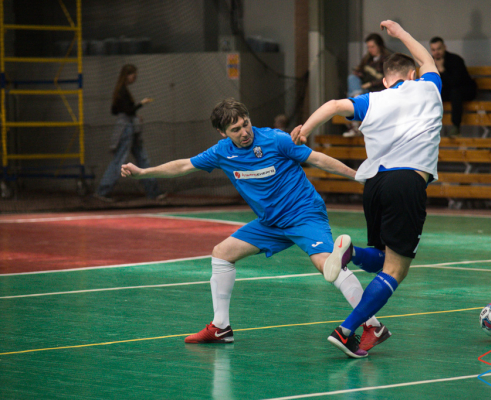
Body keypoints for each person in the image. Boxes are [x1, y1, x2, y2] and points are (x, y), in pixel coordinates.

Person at [120, 98, 390, 351]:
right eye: (235, 129)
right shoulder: (222, 152)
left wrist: (358, 176)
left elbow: (317, 159)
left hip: (303, 213)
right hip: (270, 222)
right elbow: (183, 166)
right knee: (222, 253)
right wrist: (144, 173)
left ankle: (373, 326)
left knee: (328, 263)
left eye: (245, 123)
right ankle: (220, 327)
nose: (244, 132)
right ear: (222, 132)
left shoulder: (276, 139)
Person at [293, 20, 441, 358]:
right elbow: (427, 60)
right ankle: (346, 331)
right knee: (395, 270)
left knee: (382, 260)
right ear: (412, 76)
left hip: (374, 185)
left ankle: (352, 254)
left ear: (386, 80)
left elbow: (334, 105)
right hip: (407, 183)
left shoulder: (373, 99)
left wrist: (305, 129)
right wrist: (400, 33)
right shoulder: (428, 88)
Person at [94, 64, 164, 202]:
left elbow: (117, 110)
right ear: (127, 75)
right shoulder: (121, 91)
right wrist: (141, 104)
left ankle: (153, 192)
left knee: (143, 160)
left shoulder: (121, 91)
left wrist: (133, 116)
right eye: (133, 75)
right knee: (120, 160)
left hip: (130, 127)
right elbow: (125, 110)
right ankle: (102, 191)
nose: (135, 78)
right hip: (126, 129)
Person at [344, 33, 392, 137]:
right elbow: (360, 72)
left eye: (372, 47)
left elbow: (389, 78)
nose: (370, 50)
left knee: (352, 97)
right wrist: (358, 74)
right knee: (352, 78)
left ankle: (355, 124)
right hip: (364, 90)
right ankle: (357, 99)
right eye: (368, 47)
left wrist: (370, 83)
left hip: (380, 90)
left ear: (379, 46)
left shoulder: (387, 59)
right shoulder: (367, 59)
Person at [429, 37, 476, 137]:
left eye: (439, 49)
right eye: (433, 50)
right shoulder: (430, 63)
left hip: (465, 89)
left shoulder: (455, 60)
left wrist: (441, 69)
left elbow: (455, 83)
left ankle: (456, 126)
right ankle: (428, 127)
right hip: (448, 90)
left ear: (444, 47)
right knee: (430, 94)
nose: (436, 52)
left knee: (455, 92)